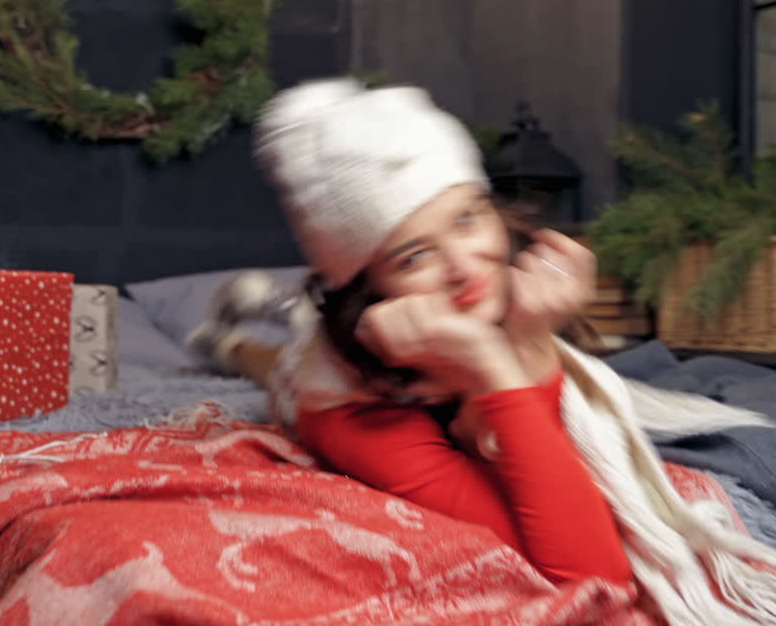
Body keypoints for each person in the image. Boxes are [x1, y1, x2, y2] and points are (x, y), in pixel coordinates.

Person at [195, 77, 634, 585]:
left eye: (467, 219)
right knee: (273, 364)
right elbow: (593, 571)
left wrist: (526, 338)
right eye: (415, 256)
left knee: (299, 319)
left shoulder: (488, 286)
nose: (465, 267)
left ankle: (273, 301)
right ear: (368, 289)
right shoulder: (346, 409)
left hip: (384, 326)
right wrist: (498, 362)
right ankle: (225, 344)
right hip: (330, 365)